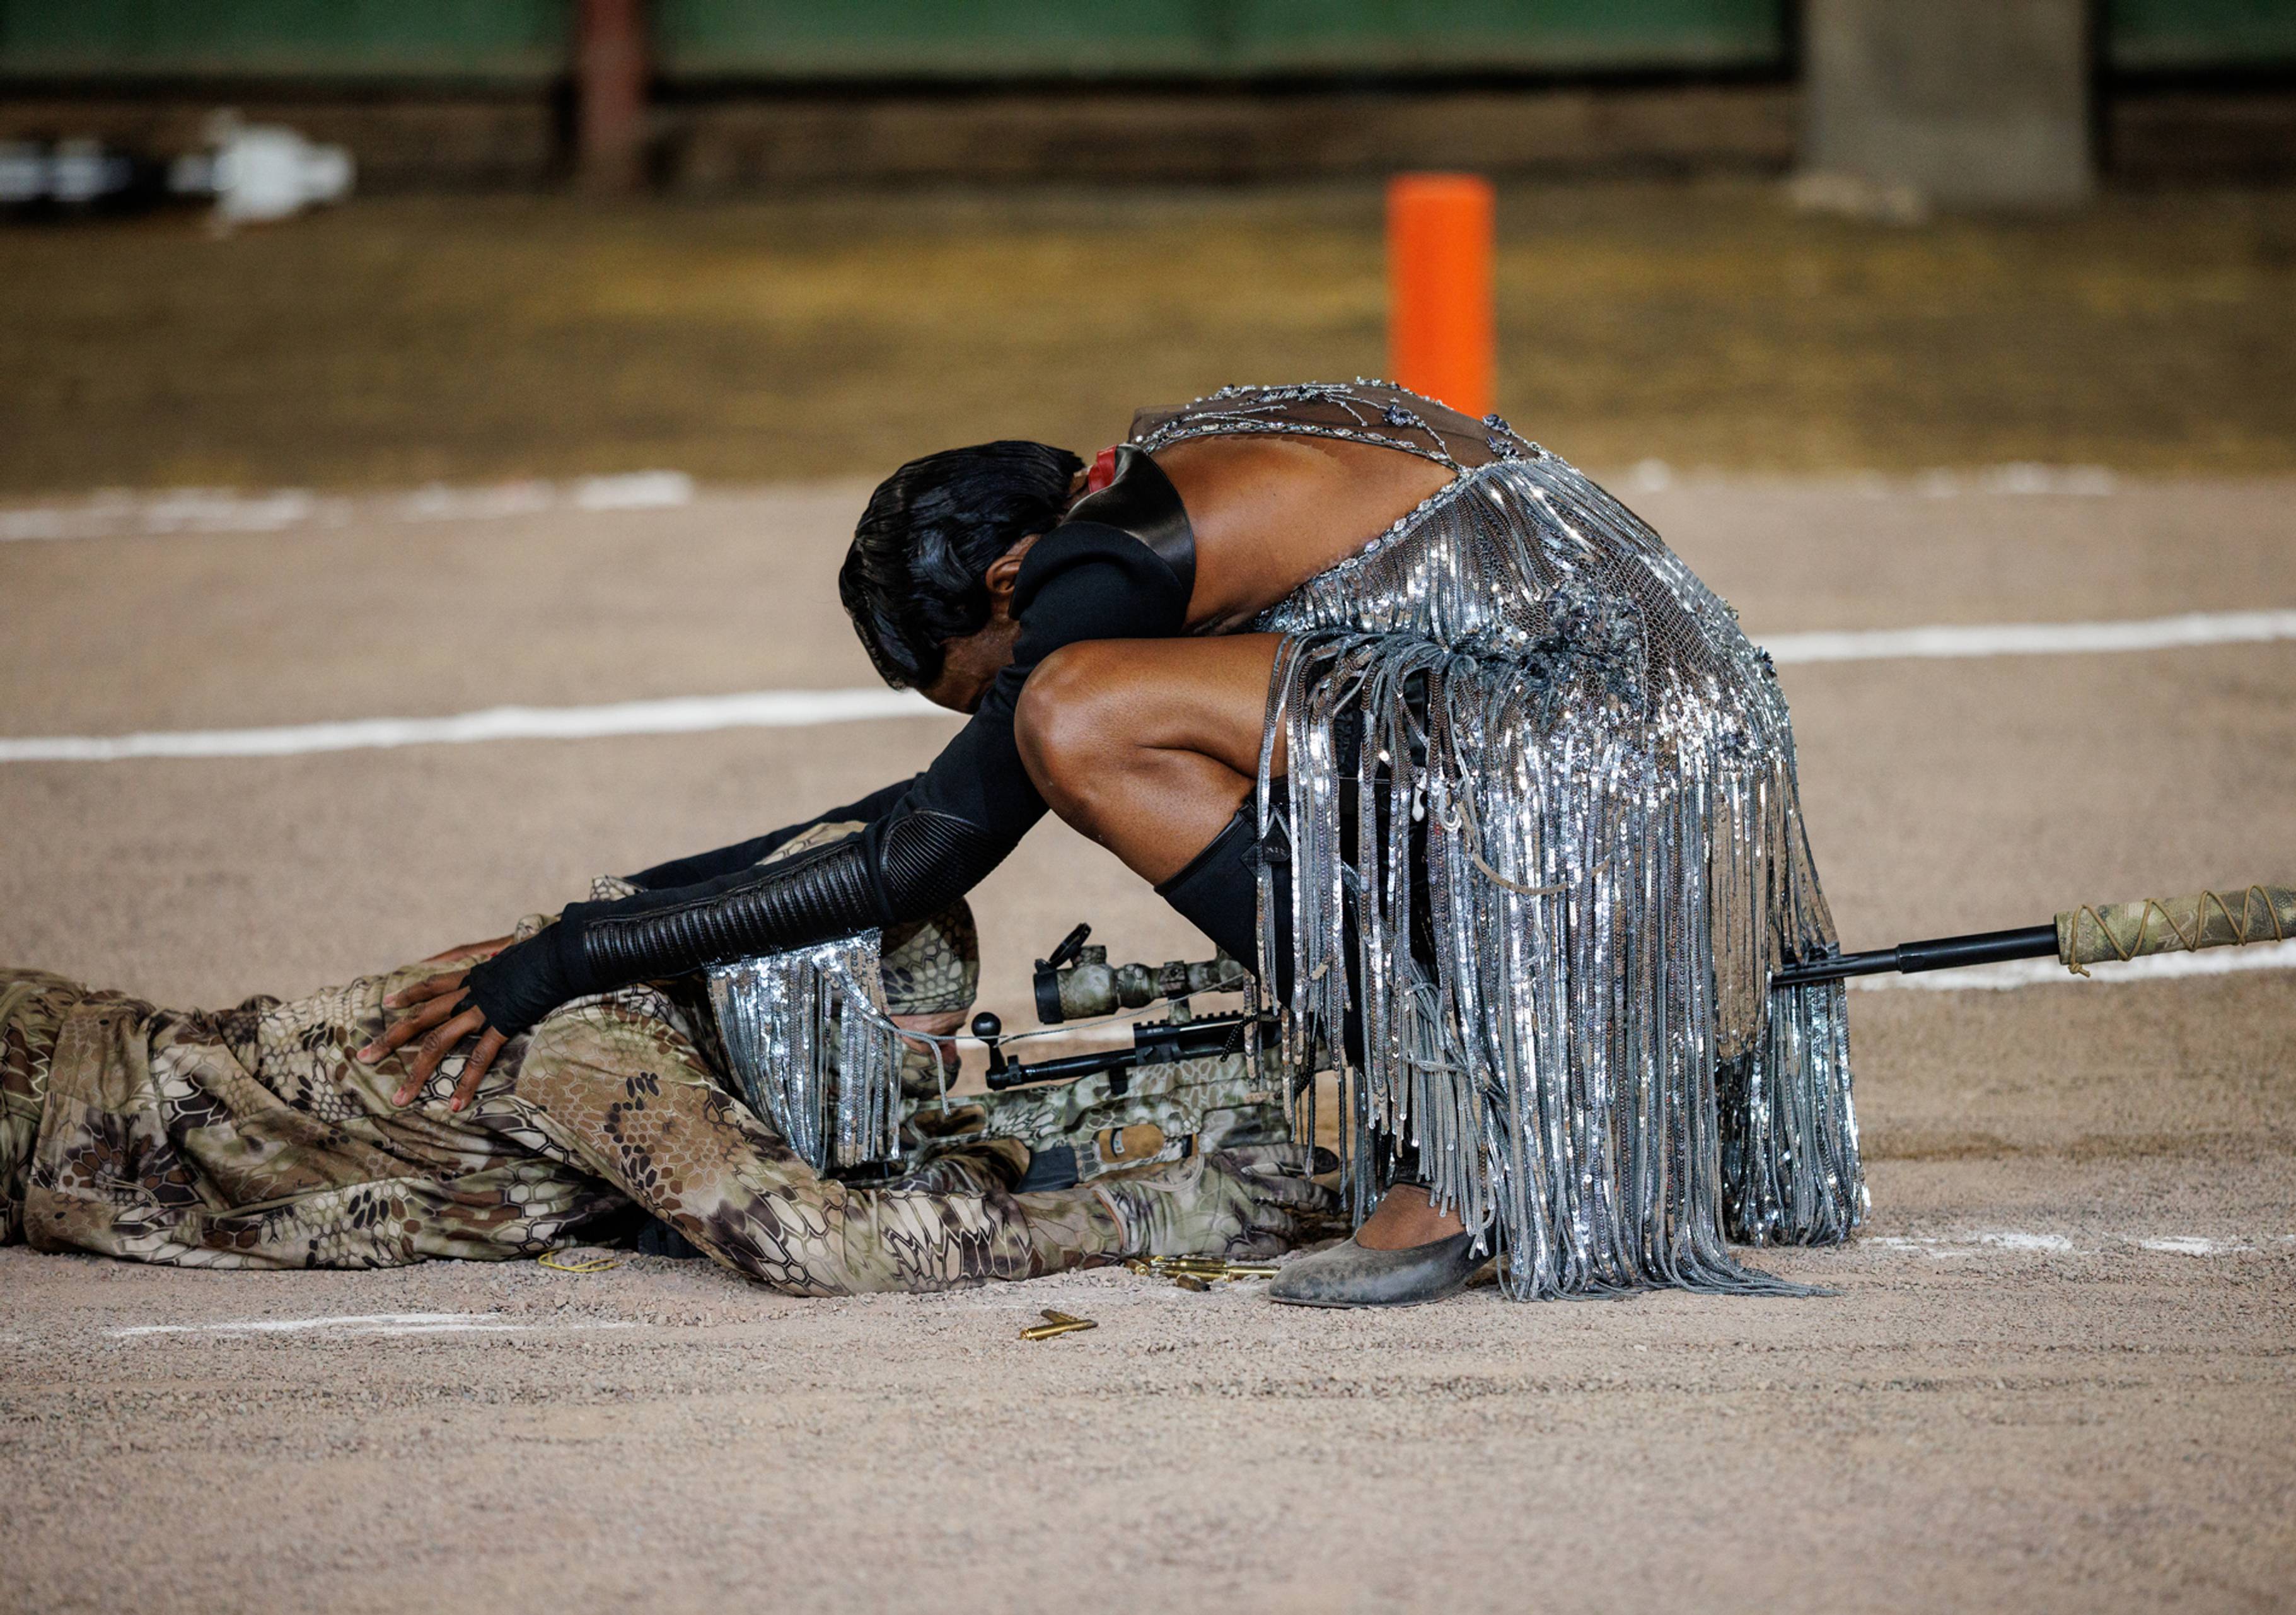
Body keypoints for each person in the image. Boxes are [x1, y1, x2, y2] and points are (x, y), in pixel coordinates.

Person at [368, 380, 1865, 1306]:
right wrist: (594, 913)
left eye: (977, 684)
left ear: (1011, 576)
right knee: (1116, 720)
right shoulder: (1150, 496)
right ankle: (1519, 1087)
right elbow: (907, 816)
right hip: (1651, 743)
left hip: (1591, 744)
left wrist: (563, 960)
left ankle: (1477, 1131)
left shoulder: (1094, 575)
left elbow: (920, 855)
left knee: (1083, 724)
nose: (992, 718)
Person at [0, 808, 1330, 1293]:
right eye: (892, 1038)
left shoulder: (675, 993)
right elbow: (819, 1248)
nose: (922, 1077)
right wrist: (1148, 1210)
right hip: (53, 1107)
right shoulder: (606, 1043)